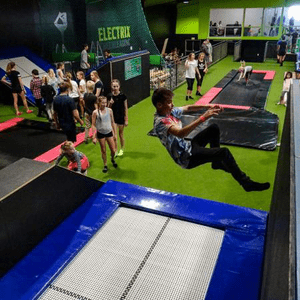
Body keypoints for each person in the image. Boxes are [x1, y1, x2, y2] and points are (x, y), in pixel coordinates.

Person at [152, 88, 270, 192]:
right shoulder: (161, 123)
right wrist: (204, 117)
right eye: (169, 102)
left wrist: (208, 106)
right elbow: (181, 133)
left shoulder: (170, 112)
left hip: (189, 146)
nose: (172, 105)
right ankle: (246, 183)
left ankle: (216, 163)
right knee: (224, 152)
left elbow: (188, 107)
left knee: (214, 128)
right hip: (186, 157)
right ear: (159, 105)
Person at [92, 96, 117, 173]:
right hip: (100, 133)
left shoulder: (109, 110)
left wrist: (115, 133)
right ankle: (105, 164)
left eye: (105, 102)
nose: (104, 104)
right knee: (103, 150)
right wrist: (94, 137)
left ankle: (112, 159)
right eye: (102, 102)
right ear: (99, 103)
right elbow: (93, 125)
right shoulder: (95, 112)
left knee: (113, 150)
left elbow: (113, 122)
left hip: (109, 132)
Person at [108, 79, 128, 157]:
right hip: (113, 119)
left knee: (121, 134)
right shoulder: (110, 96)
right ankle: (115, 150)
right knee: (114, 136)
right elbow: (107, 108)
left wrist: (126, 119)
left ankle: (121, 149)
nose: (115, 88)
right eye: (114, 86)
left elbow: (126, 108)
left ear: (119, 87)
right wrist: (110, 103)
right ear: (111, 87)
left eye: (116, 86)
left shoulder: (123, 96)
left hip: (121, 117)